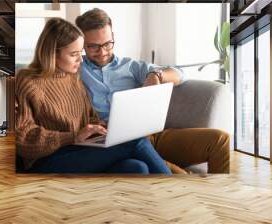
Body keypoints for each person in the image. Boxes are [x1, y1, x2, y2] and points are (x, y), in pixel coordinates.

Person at [76, 8, 230, 173]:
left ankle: (219, 191)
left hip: (152, 134)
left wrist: (156, 75)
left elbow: (179, 74)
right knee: (156, 169)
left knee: (220, 140)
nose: (102, 52)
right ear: (82, 44)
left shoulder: (131, 66)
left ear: (113, 37)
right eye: (93, 47)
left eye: (107, 44)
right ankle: (177, 176)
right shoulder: (75, 69)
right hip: (113, 142)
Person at [15, 17, 172, 174]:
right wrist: (72, 137)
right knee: (135, 140)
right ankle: (175, 188)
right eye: (74, 54)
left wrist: (103, 129)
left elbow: (89, 118)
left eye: (80, 52)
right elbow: (22, 137)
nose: (80, 60)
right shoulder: (28, 80)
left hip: (79, 151)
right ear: (53, 54)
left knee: (137, 168)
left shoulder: (72, 77)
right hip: (46, 161)